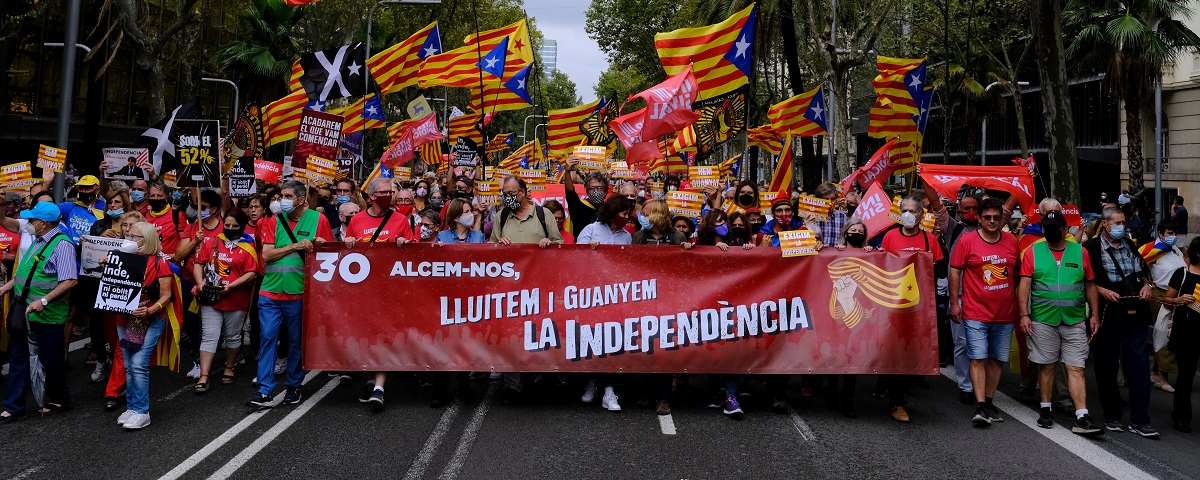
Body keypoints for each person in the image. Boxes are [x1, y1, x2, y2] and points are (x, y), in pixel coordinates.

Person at [247, 180, 333, 409]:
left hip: (300, 293)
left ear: (301, 199)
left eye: (286, 196)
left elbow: (330, 256)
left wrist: (321, 245)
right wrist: (296, 246)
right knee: (268, 338)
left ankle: (294, 386)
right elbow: (267, 255)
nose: (280, 201)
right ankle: (264, 390)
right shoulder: (273, 221)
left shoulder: (318, 219)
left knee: (296, 342)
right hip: (270, 291)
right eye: (280, 196)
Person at [1018, 211, 1103, 435]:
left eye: (1056, 226)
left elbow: (1090, 284)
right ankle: (1045, 409)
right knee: (1047, 365)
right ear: (1042, 229)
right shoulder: (1033, 252)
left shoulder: (1080, 251)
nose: (1051, 230)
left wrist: (1094, 314)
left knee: (1076, 367)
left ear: (1066, 229)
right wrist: (1024, 315)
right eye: (1047, 226)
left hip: (1074, 320)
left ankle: (1082, 415)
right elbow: (1025, 286)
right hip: (1043, 319)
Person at [1082, 206, 1159, 437]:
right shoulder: (1090, 248)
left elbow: (1142, 271)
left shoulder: (1130, 244)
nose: (1122, 227)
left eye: (1123, 222)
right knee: (1107, 364)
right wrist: (1101, 290)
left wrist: (1147, 285)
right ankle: (1112, 414)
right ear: (1104, 224)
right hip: (1109, 312)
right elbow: (1084, 280)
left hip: (1134, 309)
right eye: (1117, 223)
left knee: (1138, 364)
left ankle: (1140, 419)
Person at [0, 202, 79, 424]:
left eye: (32, 220)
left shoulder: (62, 245)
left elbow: (70, 280)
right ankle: (14, 407)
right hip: (24, 311)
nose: (29, 223)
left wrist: (44, 300)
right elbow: (25, 274)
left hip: (47, 314)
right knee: (18, 358)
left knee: (50, 359)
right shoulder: (38, 241)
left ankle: (60, 399)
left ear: (43, 224)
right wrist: (5, 289)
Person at [490, 176, 563, 404]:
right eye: (505, 193)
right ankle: (513, 386)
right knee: (512, 335)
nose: (507, 197)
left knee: (536, 334)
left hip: (540, 287)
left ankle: (536, 377)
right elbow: (490, 249)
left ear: (524, 192)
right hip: (510, 289)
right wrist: (498, 245)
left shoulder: (543, 215)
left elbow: (560, 244)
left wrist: (549, 245)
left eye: (512, 193)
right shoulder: (501, 217)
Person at [948, 198, 1020, 427]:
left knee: (997, 360)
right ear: (979, 219)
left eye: (996, 218)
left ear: (1002, 220)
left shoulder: (1011, 241)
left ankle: (989, 401)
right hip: (975, 311)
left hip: (1004, 313)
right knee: (978, 357)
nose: (991, 221)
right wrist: (954, 304)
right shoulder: (967, 240)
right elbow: (955, 272)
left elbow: (1016, 272)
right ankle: (979, 405)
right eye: (987, 217)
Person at [878, 195, 944, 423]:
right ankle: (896, 401)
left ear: (920, 215)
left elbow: (938, 270)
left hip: (920, 306)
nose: (907, 214)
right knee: (895, 349)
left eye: (912, 211)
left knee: (911, 350)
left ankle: (898, 390)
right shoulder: (889, 237)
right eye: (904, 210)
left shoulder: (929, 240)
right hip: (894, 304)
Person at [110, 222, 176, 430]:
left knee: (138, 364)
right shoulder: (120, 259)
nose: (128, 239)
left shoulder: (159, 263)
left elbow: (167, 295)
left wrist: (150, 310)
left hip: (149, 318)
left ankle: (141, 411)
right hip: (125, 319)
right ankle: (132, 407)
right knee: (129, 365)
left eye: (134, 237)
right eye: (127, 235)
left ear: (147, 241)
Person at [576, 195, 635, 413]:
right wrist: (589, 252)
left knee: (612, 342)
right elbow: (574, 259)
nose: (627, 218)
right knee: (593, 340)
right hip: (592, 296)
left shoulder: (627, 237)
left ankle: (609, 390)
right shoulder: (591, 230)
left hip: (615, 297)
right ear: (613, 212)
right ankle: (591, 382)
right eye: (624, 214)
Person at [192, 208, 259, 394]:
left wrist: (231, 287)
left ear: (242, 226)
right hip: (211, 297)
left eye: (234, 226)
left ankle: (229, 366)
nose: (230, 228)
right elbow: (198, 263)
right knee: (209, 335)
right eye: (227, 225)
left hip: (236, 298)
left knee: (232, 335)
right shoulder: (214, 241)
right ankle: (204, 375)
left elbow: (252, 272)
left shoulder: (249, 245)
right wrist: (200, 284)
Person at [101, 211, 146, 412]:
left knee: (123, 349)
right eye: (125, 225)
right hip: (114, 307)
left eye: (133, 227)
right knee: (118, 347)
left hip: (139, 310)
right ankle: (125, 385)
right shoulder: (113, 251)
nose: (127, 230)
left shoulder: (150, 255)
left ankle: (113, 392)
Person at [1162, 236, 1200, 432]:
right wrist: (1179, 300)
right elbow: (1166, 299)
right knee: (1186, 376)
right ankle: (1181, 416)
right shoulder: (1182, 274)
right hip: (1186, 333)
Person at [1144, 220, 1184, 393]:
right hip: (1161, 296)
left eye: (1175, 233)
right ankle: (1162, 378)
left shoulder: (1175, 250)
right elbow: (1137, 266)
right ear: (1160, 234)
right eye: (1169, 233)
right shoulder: (1152, 250)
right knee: (1164, 334)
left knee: (1171, 334)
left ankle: (1154, 369)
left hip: (1178, 297)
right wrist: (1147, 283)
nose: (1173, 236)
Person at [345, 177, 418, 247]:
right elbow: (346, 252)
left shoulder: (401, 220)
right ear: (372, 196)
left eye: (390, 192)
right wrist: (349, 241)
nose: (388, 195)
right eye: (384, 192)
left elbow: (411, 253)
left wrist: (404, 243)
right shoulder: (356, 219)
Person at [562, 158, 608, 237]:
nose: (595, 191)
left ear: (605, 191)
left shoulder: (609, 211)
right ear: (587, 191)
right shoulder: (580, 209)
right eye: (592, 188)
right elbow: (570, 194)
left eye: (599, 188)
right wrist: (567, 172)